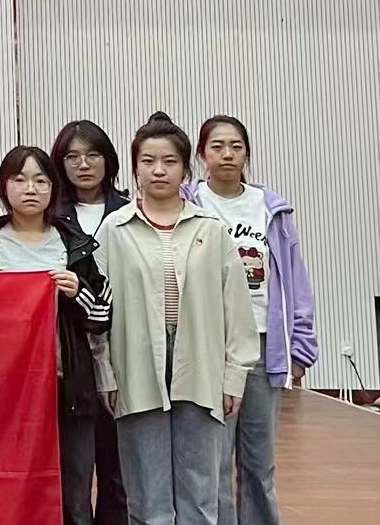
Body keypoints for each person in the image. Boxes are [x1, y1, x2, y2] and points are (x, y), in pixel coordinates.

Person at [93, 113, 258, 525]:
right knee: (147, 496)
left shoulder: (211, 229)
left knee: (200, 493)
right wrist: (105, 373)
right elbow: (98, 310)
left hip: (200, 363)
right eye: (148, 161)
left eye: (169, 161)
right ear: (135, 168)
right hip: (135, 365)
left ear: (186, 169)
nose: (158, 170)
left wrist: (234, 376)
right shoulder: (114, 230)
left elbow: (237, 310)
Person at [188, 116, 317, 525]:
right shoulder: (190, 204)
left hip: (262, 344)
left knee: (259, 462)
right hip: (209, 345)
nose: (227, 154)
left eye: (236, 146)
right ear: (202, 155)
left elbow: (295, 279)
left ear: (246, 153)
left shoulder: (271, 209)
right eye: (217, 146)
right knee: (214, 459)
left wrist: (300, 346)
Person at [0, 146, 113, 525]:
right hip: (7, 389)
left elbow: (102, 316)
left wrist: (77, 291)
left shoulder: (75, 243)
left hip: (69, 386)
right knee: (12, 489)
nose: (30, 189)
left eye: (40, 180)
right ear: (3, 187)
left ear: (54, 187)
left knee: (75, 496)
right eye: (19, 179)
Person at [50, 119, 132, 525]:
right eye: (72, 156)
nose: (83, 165)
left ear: (109, 160)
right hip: (73, 359)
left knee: (119, 472)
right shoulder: (50, 215)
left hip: (127, 349)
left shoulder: (131, 212)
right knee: (75, 472)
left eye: (93, 154)